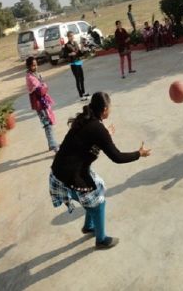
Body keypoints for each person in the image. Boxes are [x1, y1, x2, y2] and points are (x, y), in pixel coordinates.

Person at [49, 92, 151, 249]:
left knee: (99, 187)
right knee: (98, 203)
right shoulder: (97, 128)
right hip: (67, 176)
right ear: (104, 109)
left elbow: (90, 137)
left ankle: (89, 226)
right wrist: (139, 153)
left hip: (64, 169)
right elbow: (117, 157)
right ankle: (101, 239)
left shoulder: (86, 119)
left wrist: (106, 134)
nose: (111, 110)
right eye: (110, 107)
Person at [25, 56, 58, 153]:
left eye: (36, 65)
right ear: (29, 66)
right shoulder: (30, 77)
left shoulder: (36, 74)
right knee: (47, 124)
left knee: (49, 122)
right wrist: (44, 86)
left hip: (43, 101)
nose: (35, 67)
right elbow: (40, 90)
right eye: (33, 65)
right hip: (38, 103)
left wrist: (44, 86)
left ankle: (51, 143)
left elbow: (43, 87)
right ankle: (53, 145)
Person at [64, 31, 89, 101]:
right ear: (68, 37)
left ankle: (84, 92)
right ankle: (81, 96)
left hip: (78, 62)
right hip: (73, 64)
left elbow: (79, 53)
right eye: (70, 36)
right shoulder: (67, 45)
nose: (72, 37)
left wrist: (82, 50)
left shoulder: (75, 43)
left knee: (82, 78)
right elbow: (64, 55)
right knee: (77, 79)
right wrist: (69, 54)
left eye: (72, 35)